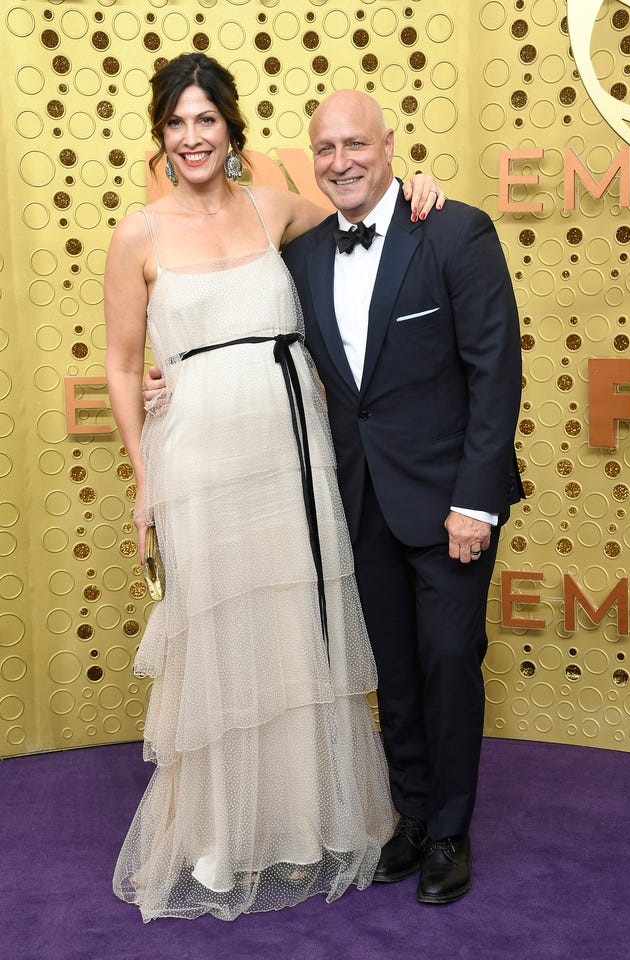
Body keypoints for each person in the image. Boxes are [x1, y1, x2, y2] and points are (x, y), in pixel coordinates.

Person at [105, 52, 444, 923]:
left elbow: (360, 207)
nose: (192, 138)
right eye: (177, 123)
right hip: (199, 462)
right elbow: (119, 362)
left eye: (206, 120)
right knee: (221, 636)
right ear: (161, 134)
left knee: (296, 632)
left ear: (231, 127)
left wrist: (421, 184)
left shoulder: (275, 204)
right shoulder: (138, 233)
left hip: (293, 452)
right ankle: (222, 837)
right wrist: (145, 480)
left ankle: (301, 827)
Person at [280, 90, 524, 905]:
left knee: (450, 661)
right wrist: (163, 376)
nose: (340, 161)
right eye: (324, 149)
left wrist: (477, 503)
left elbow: (496, 375)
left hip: (453, 503)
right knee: (395, 670)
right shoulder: (305, 256)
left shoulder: (454, 231)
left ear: (390, 148)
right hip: (361, 501)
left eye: (356, 144)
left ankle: (451, 832)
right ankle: (411, 817)